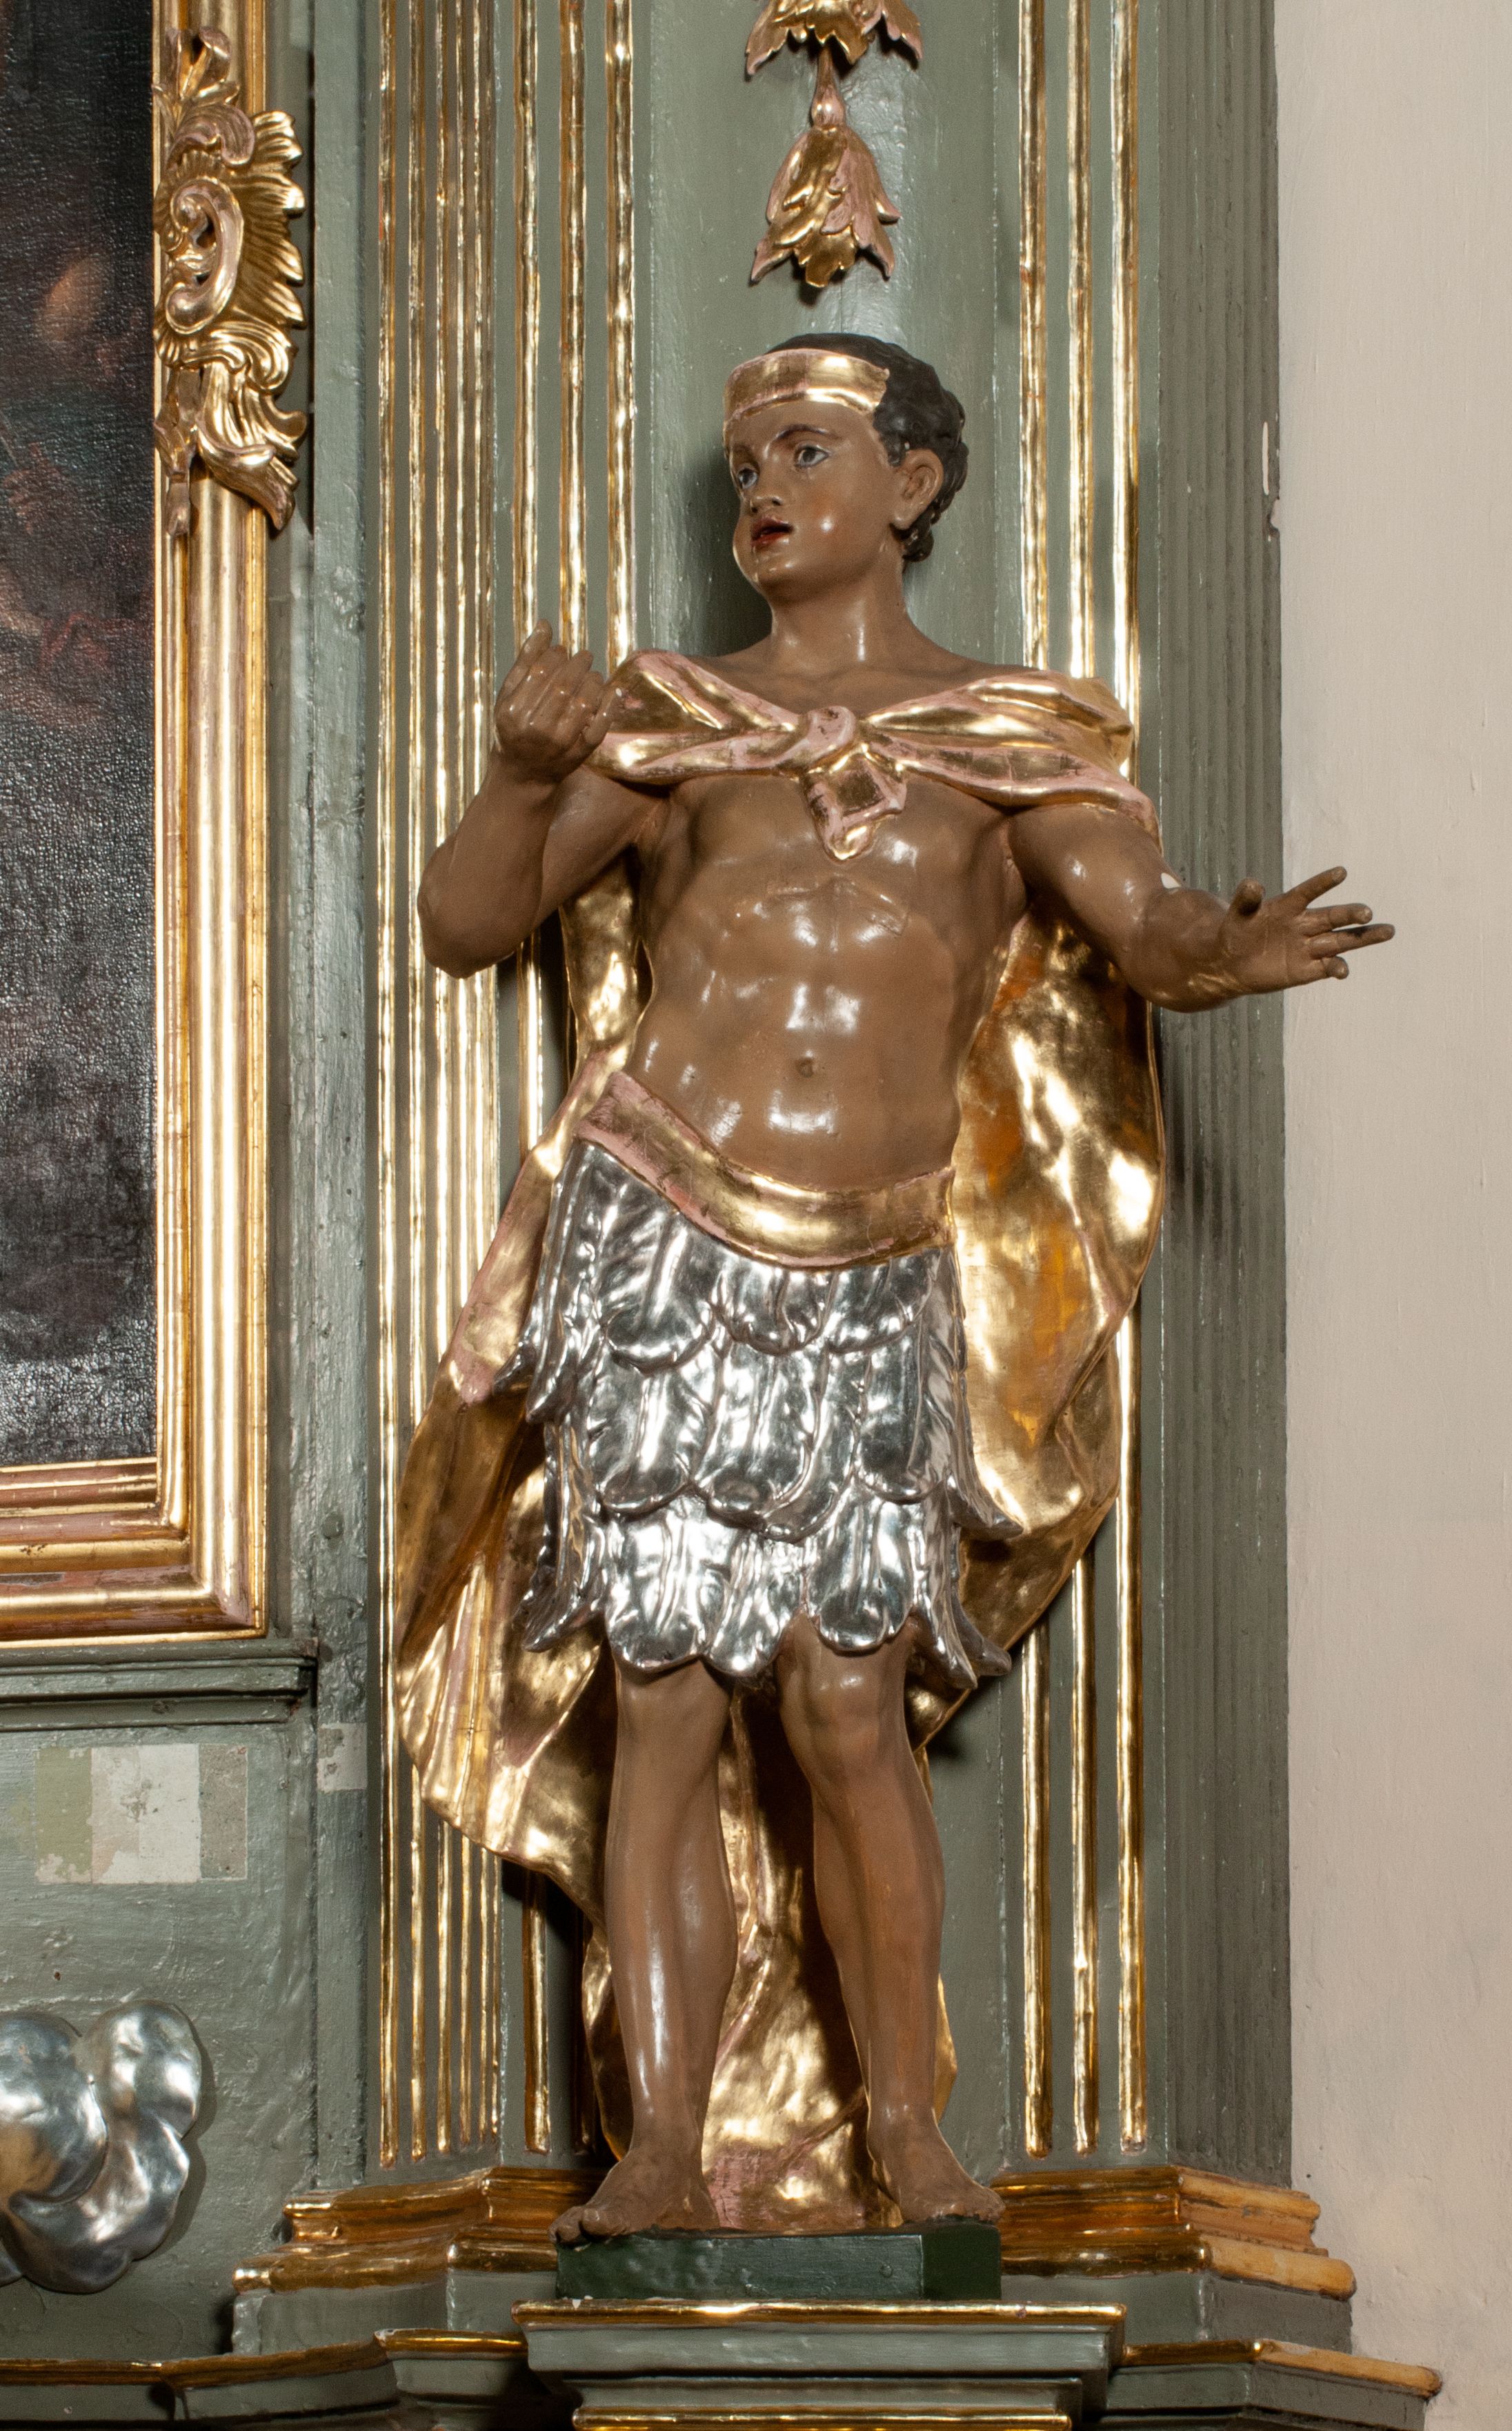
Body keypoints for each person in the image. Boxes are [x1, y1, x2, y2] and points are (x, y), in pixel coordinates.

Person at [409, 335, 1391, 2240]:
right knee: (663, 1698)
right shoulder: (674, 717)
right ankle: (662, 2145)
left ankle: (907, 2128)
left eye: (805, 450)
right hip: (662, 1234)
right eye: (745, 466)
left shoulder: (1013, 739)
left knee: (849, 1707)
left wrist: (1228, 948)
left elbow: (1145, 932)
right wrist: (523, 774)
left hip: (870, 1257)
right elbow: (471, 919)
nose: (765, 491)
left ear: (913, 483)